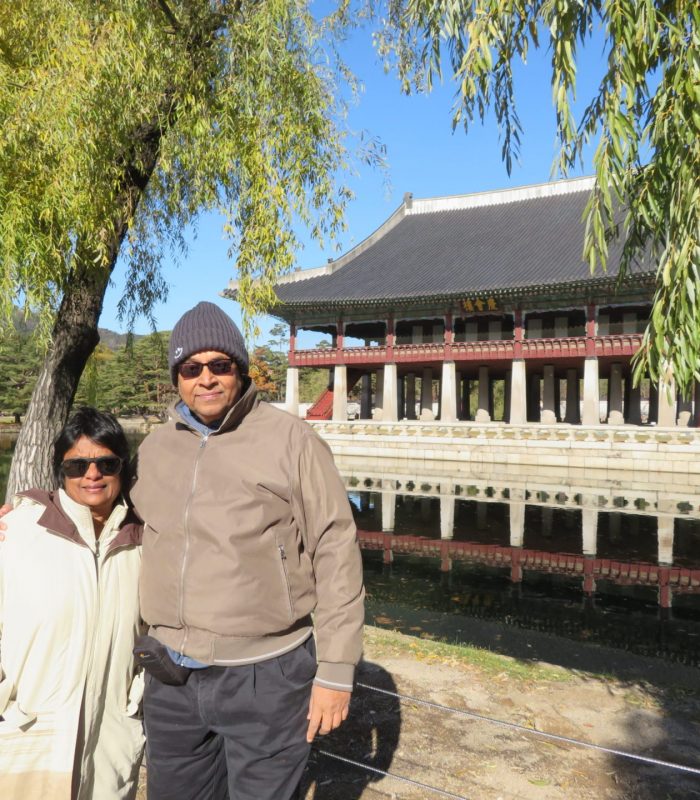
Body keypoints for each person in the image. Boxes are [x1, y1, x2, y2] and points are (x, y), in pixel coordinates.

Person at [130, 301, 364, 799]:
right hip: (171, 673)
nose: (206, 379)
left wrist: (337, 670)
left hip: (268, 673)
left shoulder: (291, 441)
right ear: (177, 377)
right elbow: (121, 518)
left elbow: (335, 548)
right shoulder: (155, 447)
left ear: (240, 369)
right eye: (192, 368)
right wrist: (33, 514)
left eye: (220, 365)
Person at [0, 407, 145, 800]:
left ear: (123, 467)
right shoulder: (16, 533)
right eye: (77, 465)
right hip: (27, 734)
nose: (92, 475)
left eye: (105, 463)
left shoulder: (145, 542)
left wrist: (137, 700)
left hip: (111, 739)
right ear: (59, 470)